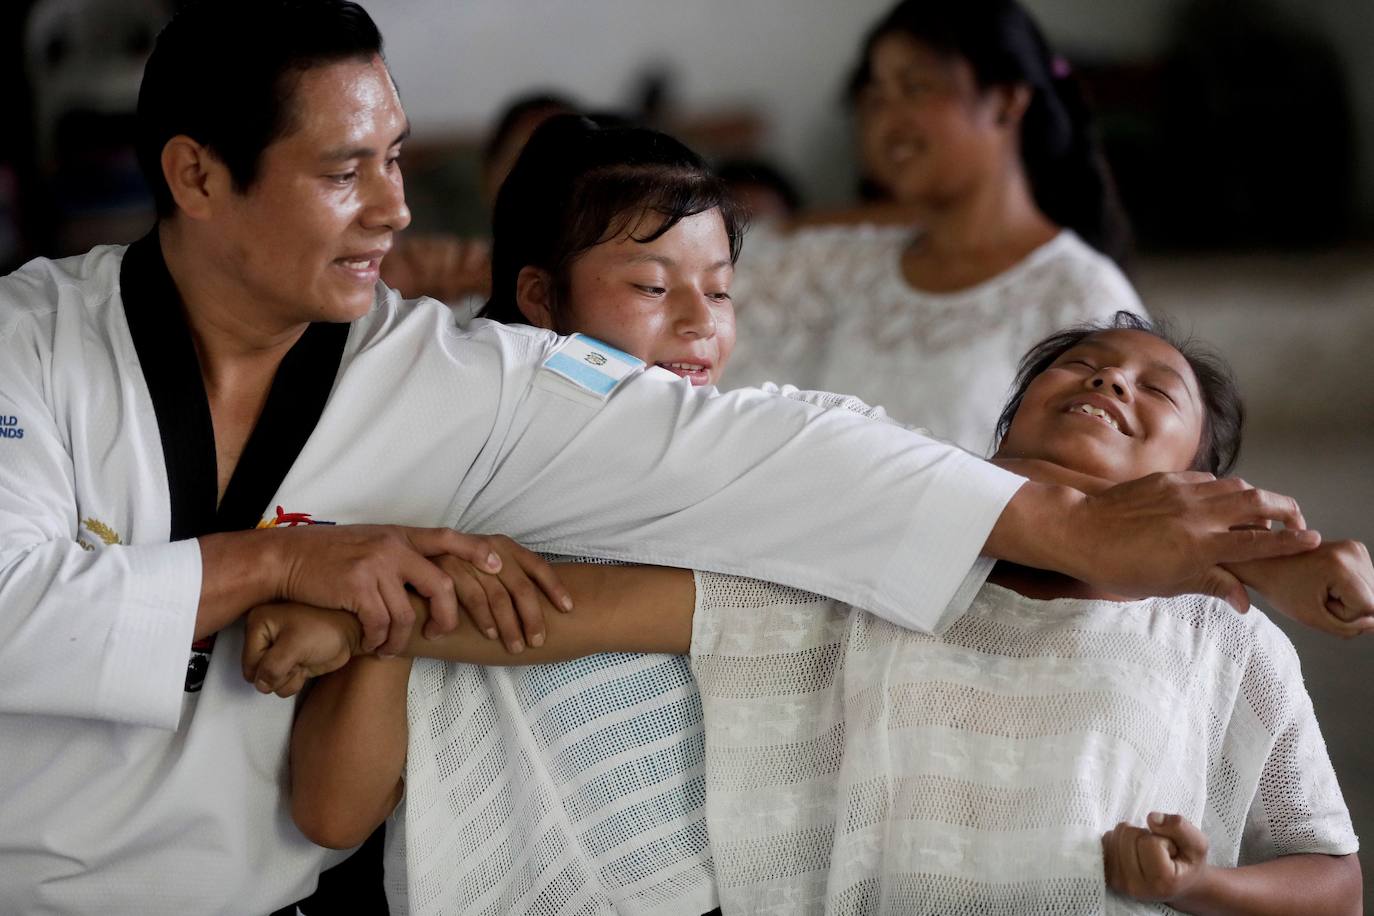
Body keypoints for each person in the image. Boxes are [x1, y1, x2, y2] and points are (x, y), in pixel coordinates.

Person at [0, 2, 1323, 913]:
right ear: (195, 174)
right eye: (348, 170)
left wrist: (1062, 526)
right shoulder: (27, 342)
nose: (398, 210)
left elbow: (753, 443)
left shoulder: (444, 374)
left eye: (398, 162)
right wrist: (296, 565)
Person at [248, 313, 1372, 915]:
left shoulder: (1223, 643)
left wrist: (1204, 885)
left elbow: (1332, 876)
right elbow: (578, 608)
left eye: (1151, 388)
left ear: (1204, 478)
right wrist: (354, 616)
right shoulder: (881, 562)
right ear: (999, 436)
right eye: (1075, 364)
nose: (1106, 382)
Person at [725, 0, 1142, 454]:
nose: (889, 120)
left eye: (916, 87)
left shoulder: (1080, 294)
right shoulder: (848, 264)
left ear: (1006, 100)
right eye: (876, 97)